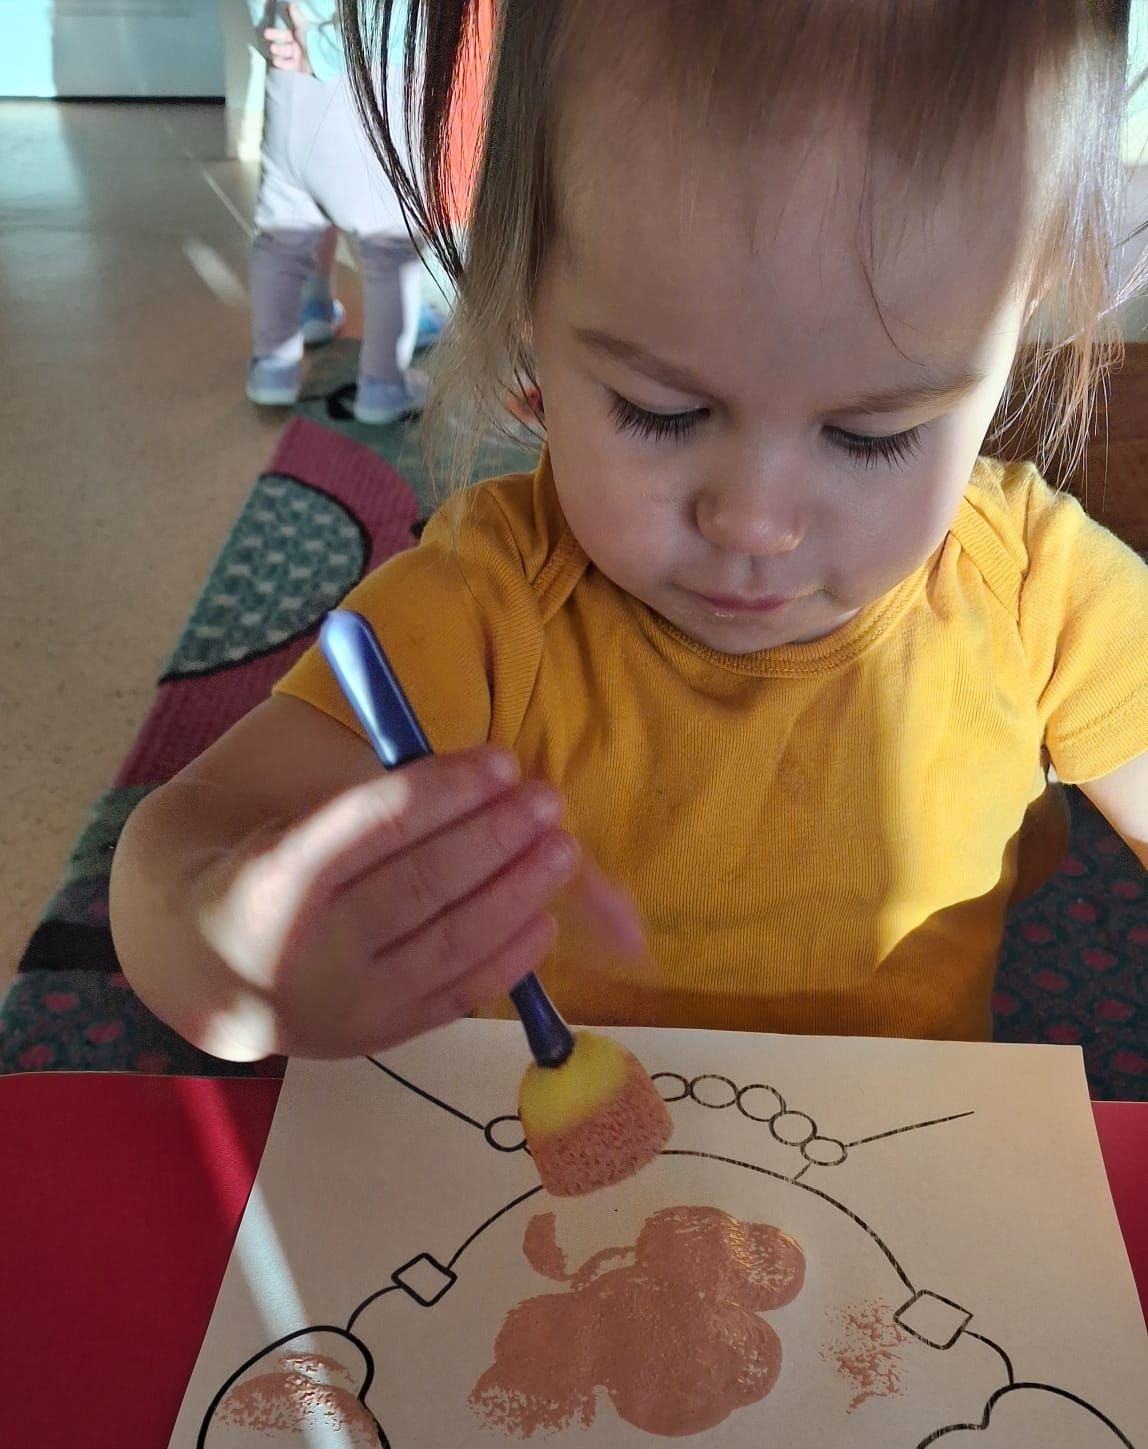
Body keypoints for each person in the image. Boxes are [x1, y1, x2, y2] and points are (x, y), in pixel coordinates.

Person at [111, 0, 1148, 1065]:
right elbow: (176, 850)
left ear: (1023, 315)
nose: (752, 523)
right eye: (662, 413)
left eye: (871, 434)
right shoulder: (487, 606)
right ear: (527, 303)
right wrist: (237, 950)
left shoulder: (1035, 594)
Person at [245, 0, 429, 425]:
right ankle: (383, 385)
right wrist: (321, 50)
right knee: (389, 248)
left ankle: (277, 361)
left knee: (284, 234)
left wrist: (271, 35)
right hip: (366, 83)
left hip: (287, 82)